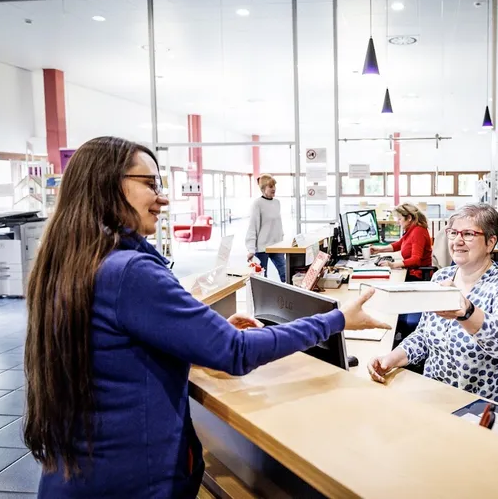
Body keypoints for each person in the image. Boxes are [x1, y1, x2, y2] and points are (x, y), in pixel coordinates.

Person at [24, 137, 390, 498]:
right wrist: (337, 320)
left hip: (78, 473)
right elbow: (236, 352)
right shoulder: (129, 270)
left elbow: (113, 349)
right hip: (133, 478)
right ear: (106, 186)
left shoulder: (71, 262)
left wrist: (195, 336)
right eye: (150, 184)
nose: (162, 197)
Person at [366, 203, 498, 413]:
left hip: (489, 407)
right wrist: (390, 359)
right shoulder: (441, 277)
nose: (457, 241)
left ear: (491, 242)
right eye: (453, 233)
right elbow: (424, 336)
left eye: (469, 234)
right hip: (439, 399)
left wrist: (467, 312)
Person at [370, 203, 432, 281]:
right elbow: (399, 244)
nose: (397, 222)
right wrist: (379, 249)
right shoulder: (411, 230)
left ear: (409, 218)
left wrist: (393, 265)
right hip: (411, 272)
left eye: (399, 219)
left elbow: (416, 260)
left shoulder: (418, 232)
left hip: (418, 275)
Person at [246, 173, 286, 281]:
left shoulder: (277, 203)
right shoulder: (257, 204)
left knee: (285, 273)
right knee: (262, 278)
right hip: (262, 247)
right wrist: (251, 249)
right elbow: (253, 226)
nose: (274, 189)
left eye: (274, 186)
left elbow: (278, 224)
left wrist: (282, 240)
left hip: (277, 246)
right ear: (263, 188)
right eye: (271, 186)